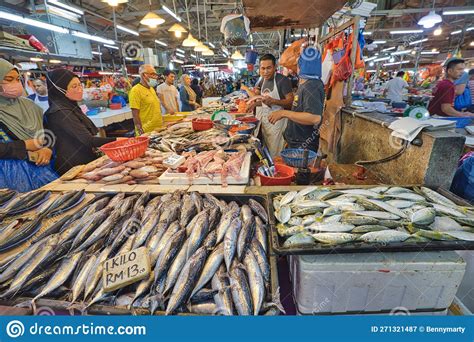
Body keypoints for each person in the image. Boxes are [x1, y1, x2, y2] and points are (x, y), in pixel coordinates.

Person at [45, 69, 116, 176]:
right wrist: (117, 140)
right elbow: (88, 140)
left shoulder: (70, 106)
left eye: (79, 85)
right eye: (74, 86)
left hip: (84, 162)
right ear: (59, 89)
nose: (79, 89)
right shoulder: (60, 112)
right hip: (72, 168)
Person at [0, 59, 57, 192]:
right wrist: (25, 145)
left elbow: (48, 132)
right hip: (8, 179)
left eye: (17, 79)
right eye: (9, 79)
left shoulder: (30, 105)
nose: (16, 83)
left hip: (42, 170)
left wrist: (48, 149)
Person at [268, 46, 324, 152]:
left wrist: (283, 113)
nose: (294, 67)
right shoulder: (305, 83)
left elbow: (314, 118)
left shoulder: (312, 85)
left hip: (304, 146)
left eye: (297, 63)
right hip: (296, 143)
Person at [245, 53, 294, 157]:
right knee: (266, 151)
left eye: (269, 68)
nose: (265, 71)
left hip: (278, 123)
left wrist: (274, 101)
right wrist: (254, 105)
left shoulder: (282, 80)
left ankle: (276, 171)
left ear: (275, 67)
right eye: (263, 68)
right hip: (266, 122)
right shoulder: (263, 80)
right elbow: (265, 101)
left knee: (275, 153)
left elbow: (291, 101)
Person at [129, 64, 163, 134]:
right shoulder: (135, 90)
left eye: (155, 74)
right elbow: (135, 113)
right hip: (147, 131)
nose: (155, 77)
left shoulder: (151, 89)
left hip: (158, 128)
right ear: (144, 75)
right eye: (152, 74)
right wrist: (140, 131)